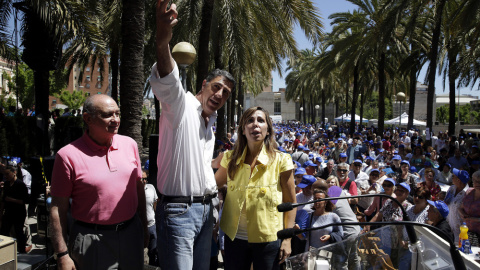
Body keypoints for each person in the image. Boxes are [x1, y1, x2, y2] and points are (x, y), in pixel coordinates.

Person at [152, 2, 236, 269]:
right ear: (204, 84)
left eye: (226, 93)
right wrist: (163, 38)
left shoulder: (209, 124)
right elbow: (168, 77)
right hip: (178, 213)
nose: (220, 95)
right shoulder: (181, 105)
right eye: (216, 87)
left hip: (205, 212)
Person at [50, 94, 147, 270]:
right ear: (88, 118)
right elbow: (58, 209)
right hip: (91, 240)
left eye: (117, 114)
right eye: (108, 115)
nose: (115, 120)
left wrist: (144, 228)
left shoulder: (130, 145)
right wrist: (62, 254)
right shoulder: (67, 156)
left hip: (131, 235)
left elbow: (139, 189)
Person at [214, 107, 296, 270]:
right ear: (243, 130)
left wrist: (287, 240)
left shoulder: (282, 160)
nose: (255, 124)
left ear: (268, 129)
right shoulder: (230, 159)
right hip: (234, 240)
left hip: (268, 241)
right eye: (250, 120)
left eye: (260, 120)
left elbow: (290, 202)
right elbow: (211, 185)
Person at [0, 162, 29, 253]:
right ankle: (5, 251)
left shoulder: (20, 185)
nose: (6, 176)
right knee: (4, 231)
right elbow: (4, 200)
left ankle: (22, 250)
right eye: (5, 174)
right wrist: (1, 212)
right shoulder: (7, 184)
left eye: (8, 174)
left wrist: (11, 200)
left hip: (18, 213)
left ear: (14, 172)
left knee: (19, 232)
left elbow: (24, 201)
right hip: (8, 212)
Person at [444, 168, 470, 244]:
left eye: (453, 176)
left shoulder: (468, 193)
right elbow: (446, 202)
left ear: (458, 180)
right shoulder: (452, 188)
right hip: (448, 226)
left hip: (460, 230)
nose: (452, 178)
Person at [458, 170, 480, 246]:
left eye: (479, 181)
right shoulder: (469, 192)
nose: (477, 183)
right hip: (466, 232)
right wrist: (462, 214)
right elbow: (460, 207)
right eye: (475, 181)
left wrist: (470, 218)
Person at [142, 170, 159, 266]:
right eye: (142, 179)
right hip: (140, 228)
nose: (144, 181)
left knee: (154, 251)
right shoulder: (133, 190)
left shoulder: (151, 187)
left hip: (152, 226)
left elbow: (155, 204)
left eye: (145, 179)